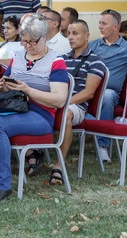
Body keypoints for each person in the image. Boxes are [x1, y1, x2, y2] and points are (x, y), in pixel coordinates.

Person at [0, 15, 69, 202]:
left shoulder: (56, 61)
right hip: (13, 108)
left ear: (44, 37)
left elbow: (59, 100)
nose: (27, 46)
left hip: (40, 115)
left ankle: (2, 185)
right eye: (24, 41)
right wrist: (3, 86)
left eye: (32, 42)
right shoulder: (18, 56)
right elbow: (5, 85)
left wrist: (28, 90)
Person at [43, 19, 105, 185]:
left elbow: (89, 93)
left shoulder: (95, 60)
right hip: (56, 101)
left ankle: (58, 165)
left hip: (76, 105)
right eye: (69, 33)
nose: (70, 37)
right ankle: (31, 155)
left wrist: (62, 102)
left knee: (66, 115)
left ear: (87, 36)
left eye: (75, 33)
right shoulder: (61, 58)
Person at [89, 9, 127, 163]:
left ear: (115, 27)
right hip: (88, 90)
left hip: (110, 94)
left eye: (104, 23)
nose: (100, 26)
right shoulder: (92, 45)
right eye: (99, 23)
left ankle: (102, 147)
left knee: (107, 95)